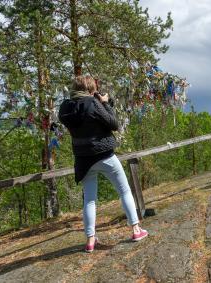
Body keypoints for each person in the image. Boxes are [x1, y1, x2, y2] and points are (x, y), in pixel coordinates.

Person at [59, 75, 148, 253]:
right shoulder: (93, 104)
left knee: (89, 200)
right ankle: (136, 230)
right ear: (91, 89)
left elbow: (83, 114)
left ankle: (90, 240)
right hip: (105, 155)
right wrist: (105, 103)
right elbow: (113, 124)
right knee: (124, 191)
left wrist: (98, 102)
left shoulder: (65, 108)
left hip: (83, 160)